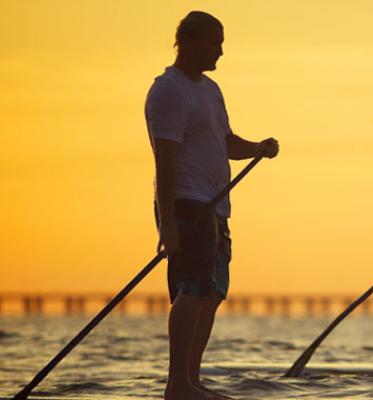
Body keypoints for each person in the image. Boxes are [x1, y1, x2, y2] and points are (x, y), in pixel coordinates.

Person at [145, 11, 279, 400]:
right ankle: (177, 385)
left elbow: (226, 141)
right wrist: (168, 224)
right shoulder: (169, 91)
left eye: (221, 42)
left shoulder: (211, 90)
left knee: (213, 292)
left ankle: (192, 380)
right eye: (214, 42)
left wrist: (257, 149)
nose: (220, 51)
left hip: (217, 208)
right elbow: (165, 160)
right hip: (187, 204)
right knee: (192, 288)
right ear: (187, 42)